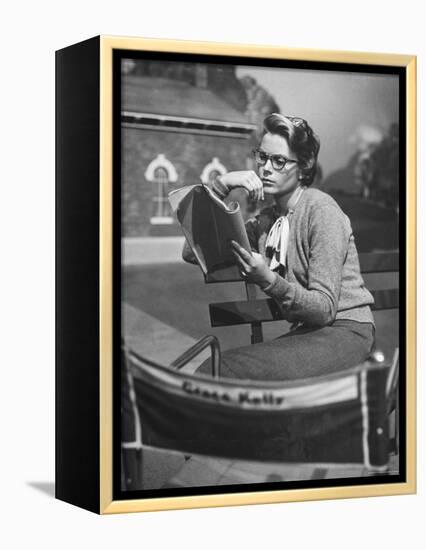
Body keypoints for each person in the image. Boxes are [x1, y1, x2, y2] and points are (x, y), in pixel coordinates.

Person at [183, 113, 375, 381]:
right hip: (309, 335)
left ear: (305, 165)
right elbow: (193, 252)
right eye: (262, 157)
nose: (266, 168)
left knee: (219, 370)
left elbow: (324, 309)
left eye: (279, 160)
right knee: (217, 369)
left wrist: (268, 279)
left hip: (346, 332)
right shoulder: (265, 222)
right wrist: (220, 185)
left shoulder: (321, 210)